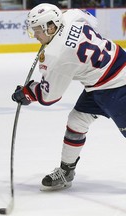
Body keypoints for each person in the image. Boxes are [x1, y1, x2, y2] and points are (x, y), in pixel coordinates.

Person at [12, 3, 126, 191]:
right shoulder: (71, 15)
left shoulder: (57, 56)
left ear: (51, 26)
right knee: (77, 120)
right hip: (101, 81)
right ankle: (66, 171)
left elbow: (49, 96)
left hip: (118, 84)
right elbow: (92, 20)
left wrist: (28, 92)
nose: (36, 36)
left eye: (38, 31)